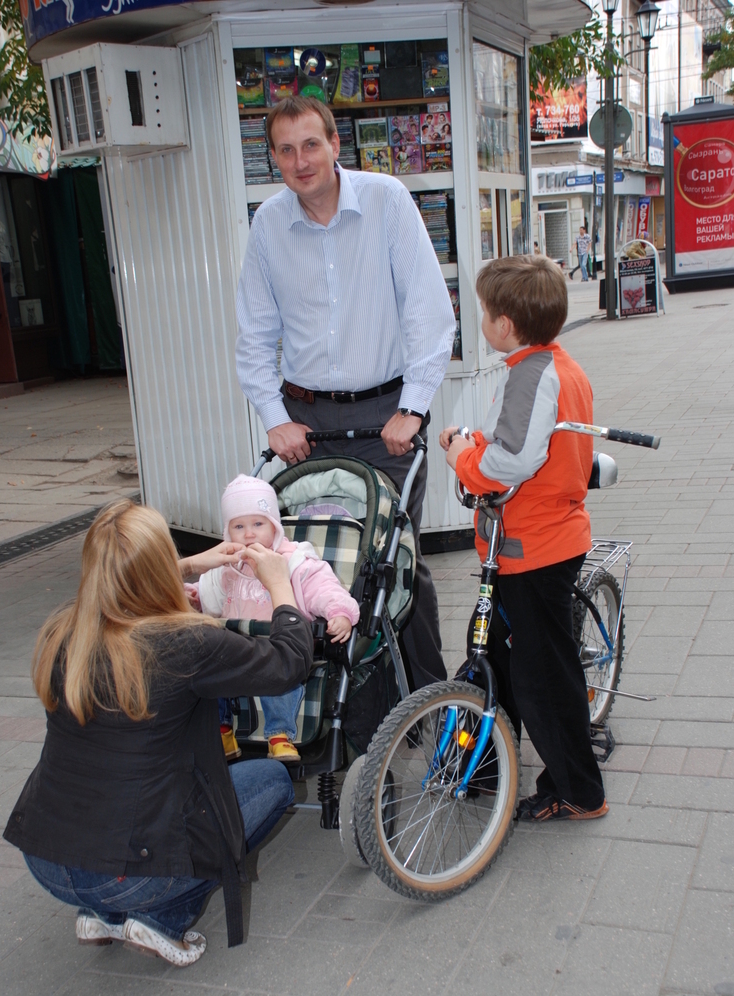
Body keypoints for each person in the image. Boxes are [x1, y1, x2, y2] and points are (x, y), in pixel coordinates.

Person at [4, 499, 313, 966]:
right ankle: (160, 919)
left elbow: (121, 580)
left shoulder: (63, 629)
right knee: (271, 781)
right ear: (156, 566)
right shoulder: (188, 643)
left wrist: (190, 564)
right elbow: (290, 663)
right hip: (133, 871)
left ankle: (101, 913)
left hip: (45, 858)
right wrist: (279, 585)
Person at [236, 95, 456, 690]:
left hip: (388, 418)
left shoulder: (387, 201)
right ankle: (342, 706)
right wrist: (274, 417)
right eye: (286, 149)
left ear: (335, 145)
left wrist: (413, 407)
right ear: (275, 159)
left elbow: (430, 316)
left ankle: (434, 706)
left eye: (311, 144)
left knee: (396, 566)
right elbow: (254, 337)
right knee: (312, 561)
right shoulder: (268, 225)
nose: (301, 160)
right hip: (307, 425)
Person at [439, 255, 607, 823]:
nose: (480, 320)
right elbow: (520, 436)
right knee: (491, 654)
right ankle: (482, 767)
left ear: (504, 323)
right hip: (528, 546)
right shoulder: (545, 364)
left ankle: (578, 790)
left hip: (534, 550)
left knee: (544, 679)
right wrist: (473, 437)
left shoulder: (533, 373)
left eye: (483, 312)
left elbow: (511, 458)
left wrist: (464, 457)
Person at [186, 474, 359, 762]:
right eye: (239, 526)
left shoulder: (293, 561)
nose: (249, 534)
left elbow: (323, 588)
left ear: (274, 526)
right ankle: (222, 730)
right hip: (234, 654)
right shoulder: (226, 569)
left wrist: (339, 612)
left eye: (258, 524)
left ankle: (280, 734)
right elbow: (208, 597)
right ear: (227, 532)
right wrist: (192, 597)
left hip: (276, 653)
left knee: (280, 679)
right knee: (207, 668)